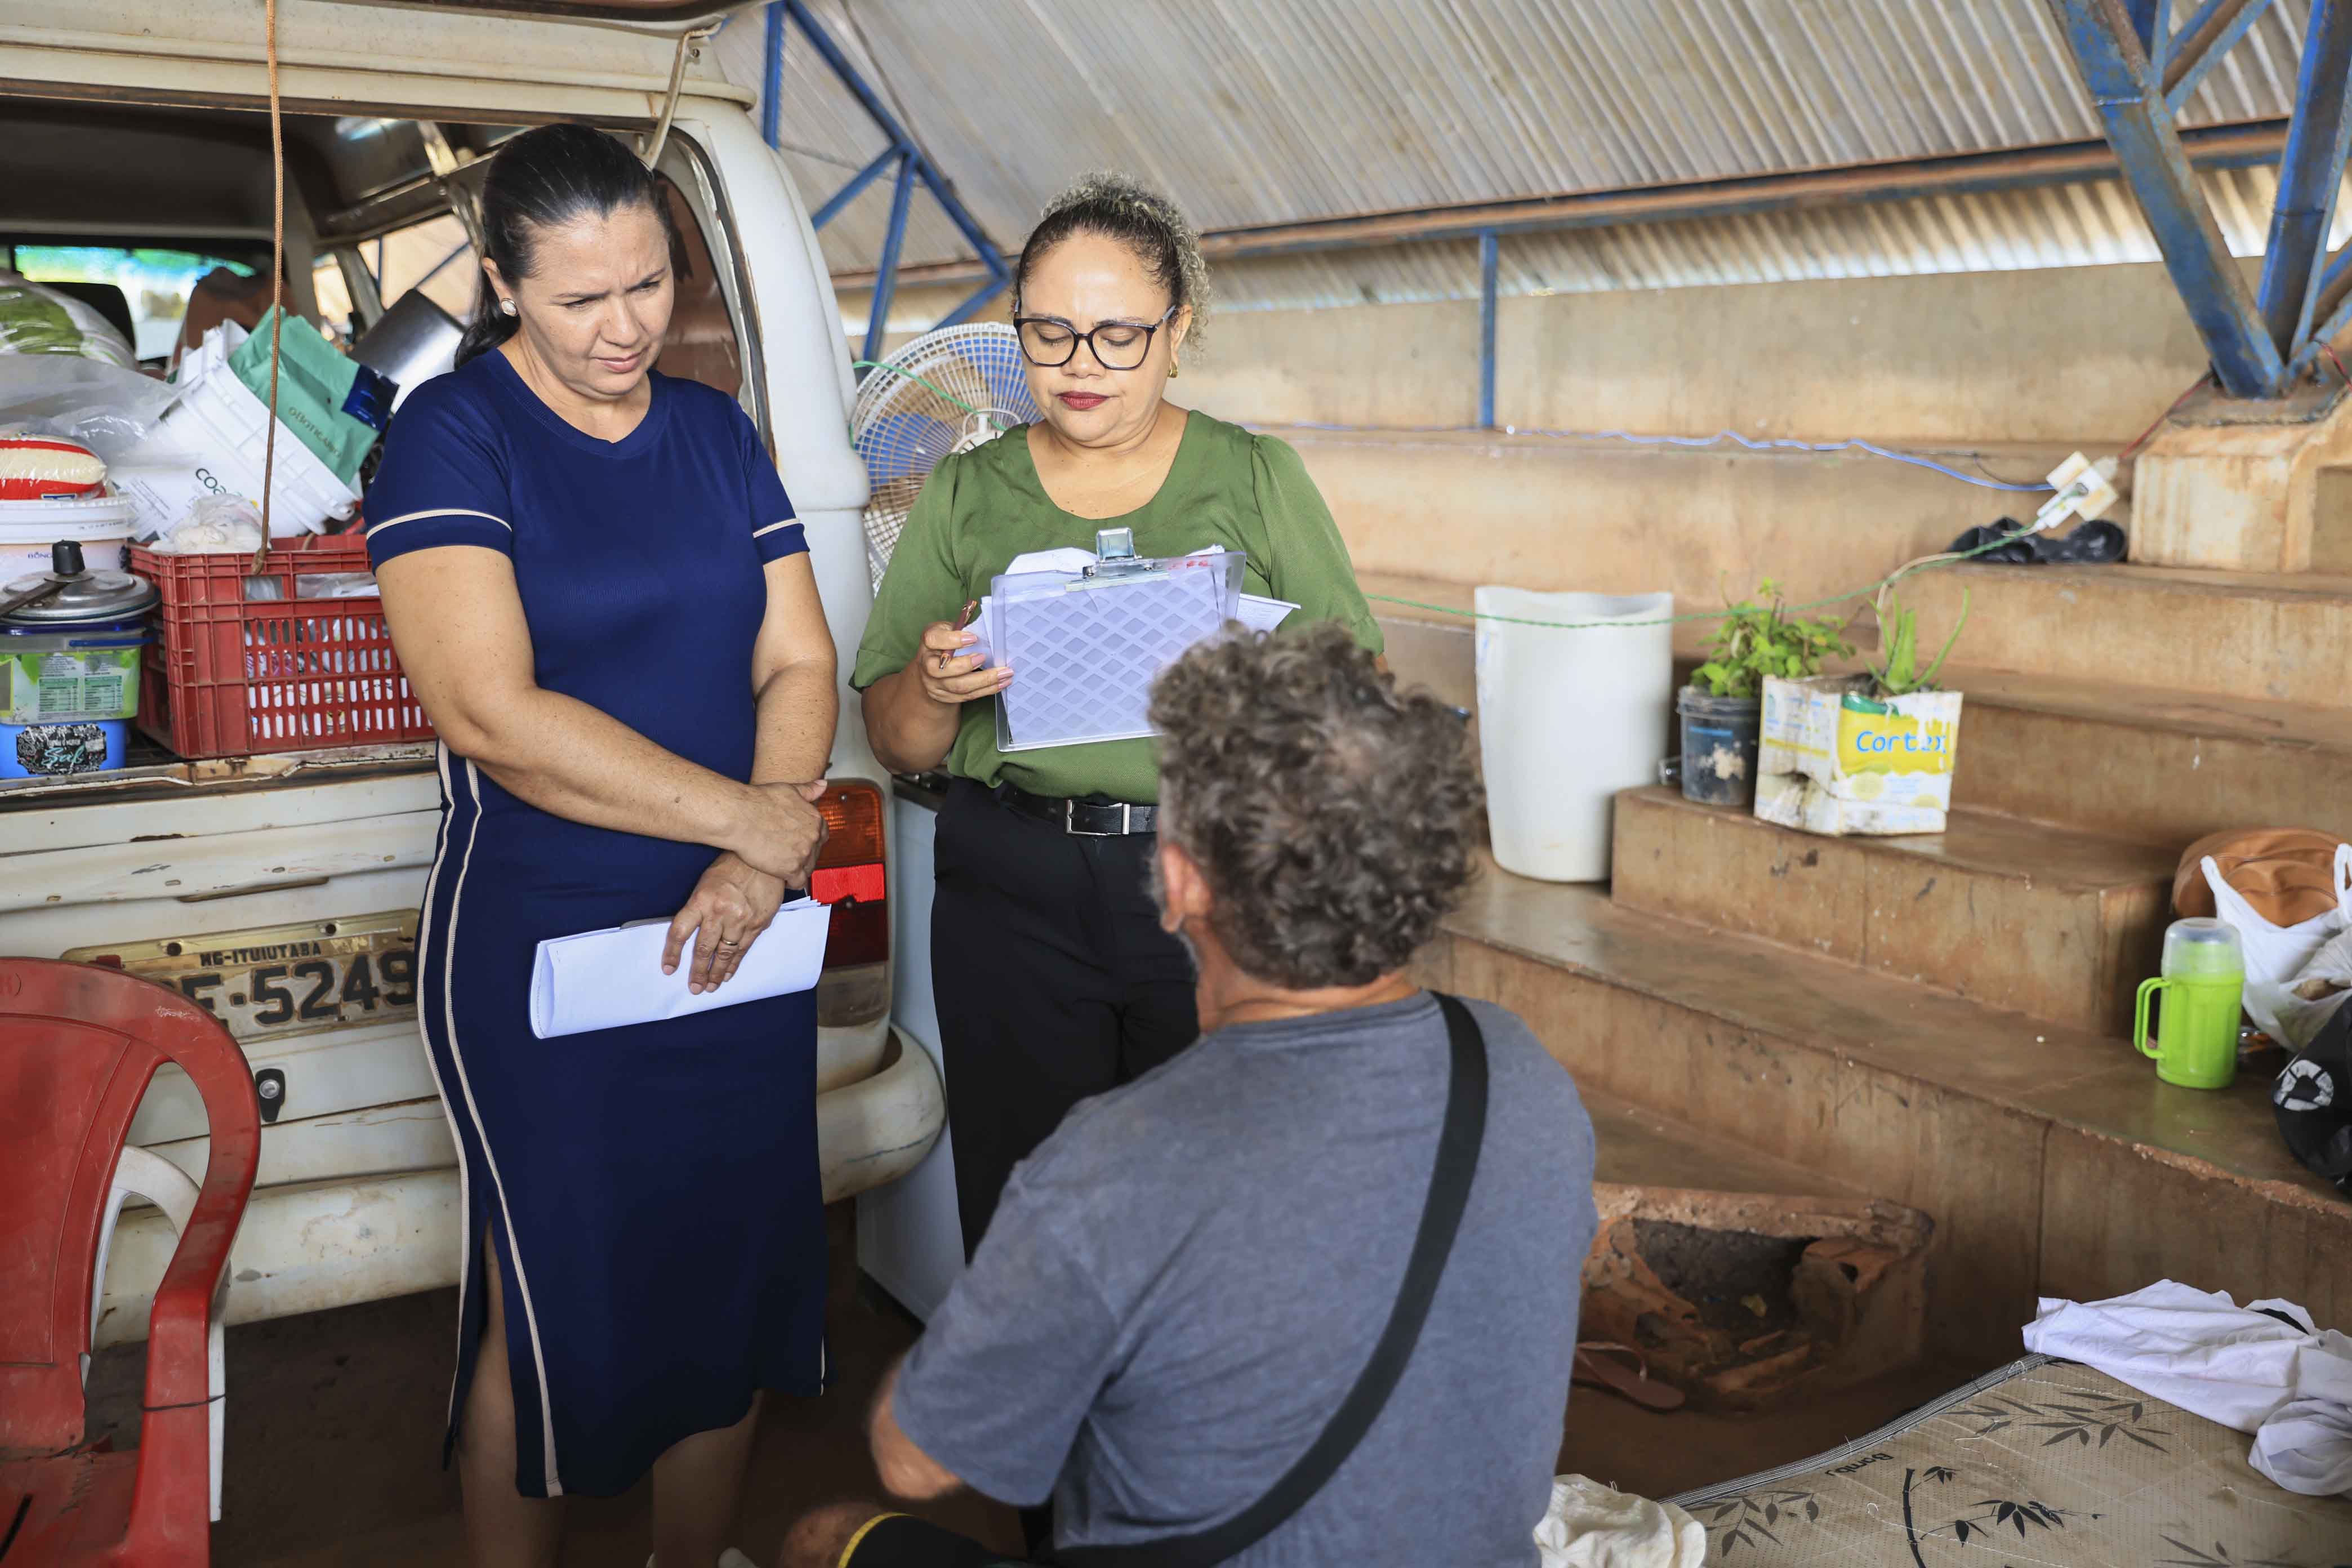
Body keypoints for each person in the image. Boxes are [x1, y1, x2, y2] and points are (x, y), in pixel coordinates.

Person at [787, 625, 1600, 1568]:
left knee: (823, 1539)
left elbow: (915, 1457)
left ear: (1177, 884)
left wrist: (983, 1340)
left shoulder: (1116, 1162)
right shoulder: (1516, 1069)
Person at [367, 123, 837, 1568]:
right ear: (507, 286)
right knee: (558, 1292)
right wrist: (750, 819)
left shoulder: (713, 432)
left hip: (735, 937)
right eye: (581, 299)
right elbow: (489, 713)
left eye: (647, 285)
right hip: (544, 940)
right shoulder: (452, 435)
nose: (625, 327)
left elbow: (800, 664)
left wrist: (760, 867)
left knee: (731, 1281)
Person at [852, 173, 1386, 1264]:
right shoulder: (965, 493)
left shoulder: (1253, 476)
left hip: (1209, 881)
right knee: (1031, 1211)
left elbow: (1357, 692)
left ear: (1177, 330)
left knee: (1215, 1203)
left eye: (1116, 337)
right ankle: (1048, 1426)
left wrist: (1269, 701)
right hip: (1014, 893)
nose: (1078, 367)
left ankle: (1192, 1429)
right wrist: (935, 687)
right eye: (1048, 335)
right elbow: (893, 736)